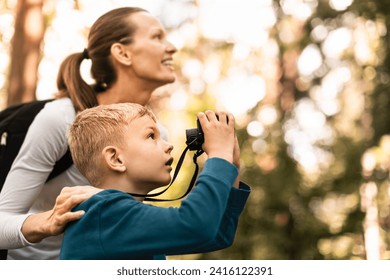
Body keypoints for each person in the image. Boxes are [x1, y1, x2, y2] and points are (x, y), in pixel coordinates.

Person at [0, 7, 178, 259]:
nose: (171, 47)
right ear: (122, 53)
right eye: (157, 37)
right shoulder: (60, 118)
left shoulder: (157, 135)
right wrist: (49, 221)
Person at [60, 103, 250, 259]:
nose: (169, 146)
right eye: (151, 136)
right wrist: (218, 154)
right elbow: (196, 226)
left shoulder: (125, 217)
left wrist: (230, 163)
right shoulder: (102, 213)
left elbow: (218, 235)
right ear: (116, 159)